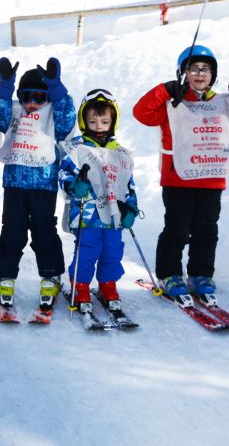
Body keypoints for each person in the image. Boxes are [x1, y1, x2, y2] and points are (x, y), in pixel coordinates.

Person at [132, 44, 229, 299]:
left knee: (206, 229)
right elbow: (142, 113)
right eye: (193, 68)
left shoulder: (223, 103)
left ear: (213, 75)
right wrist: (165, 90)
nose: (200, 74)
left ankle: (201, 274)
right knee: (177, 229)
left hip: (211, 177)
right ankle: (169, 273)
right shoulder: (172, 104)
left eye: (206, 69)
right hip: (178, 177)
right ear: (183, 73)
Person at [0, 57, 75, 313]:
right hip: (15, 185)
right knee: (12, 231)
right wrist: (5, 87)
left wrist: (58, 90)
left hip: (44, 186)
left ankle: (51, 275)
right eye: (27, 96)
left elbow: (67, 121)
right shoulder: (16, 112)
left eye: (40, 96)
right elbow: (0, 114)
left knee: (44, 232)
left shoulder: (52, 115)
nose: (32, 103)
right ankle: (4, 276)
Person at [59, 89, 138, 313]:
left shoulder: (119, 152)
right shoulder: (77, 149)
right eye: (93, 121)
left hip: (114, 213)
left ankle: (107, 284)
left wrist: (131, 207)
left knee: (113, 250)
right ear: (84, 121)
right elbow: (64, 175)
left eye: (104, 121)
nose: (99, 125)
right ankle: (80, 285)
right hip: (87, 213)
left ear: (113, 121)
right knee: (87, 249)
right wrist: (75, 186)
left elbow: (128, 182)